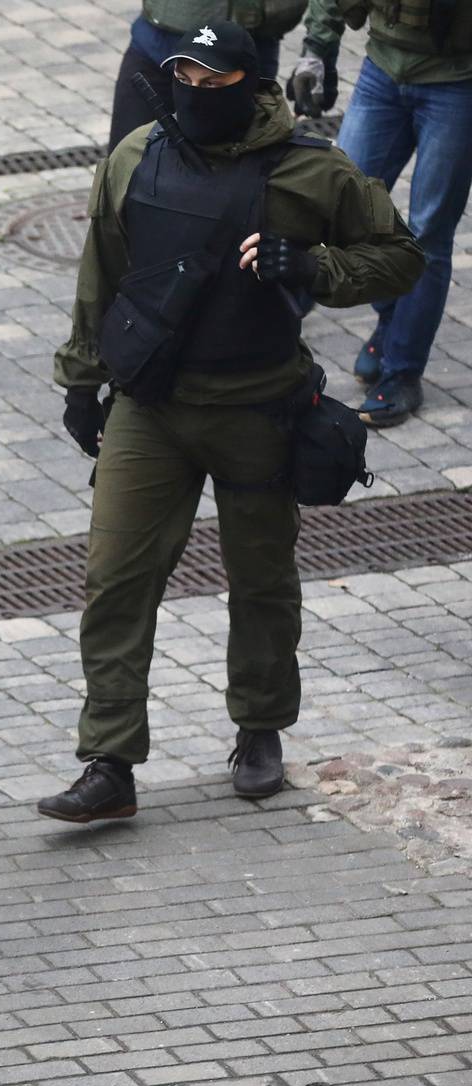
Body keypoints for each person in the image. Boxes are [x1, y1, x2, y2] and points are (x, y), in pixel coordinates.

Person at [47, 21, 422, 824]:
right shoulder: (134, 156)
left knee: (261, 583)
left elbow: (400, 255)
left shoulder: (309, 170)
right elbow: (99, 276)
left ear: (250, 83)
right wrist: (82, 381)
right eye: (183, 74)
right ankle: (109, 761)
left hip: (258, 406)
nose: (195, 91)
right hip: (153, 409)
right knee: (114, 580)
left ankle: (259, 730)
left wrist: (313, 265)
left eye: (213, 79)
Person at [290, 0, 472, 427]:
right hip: (383, 70)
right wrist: (318, 49)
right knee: (341, 206)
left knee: (428, 233)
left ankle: (403, 370)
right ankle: (393, 324)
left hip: (458, 81)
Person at [108, 2, 305, 150]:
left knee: (239, 177)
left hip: (248, 47)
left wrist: (317, 50)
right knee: (128, 163)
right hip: (159, 42)